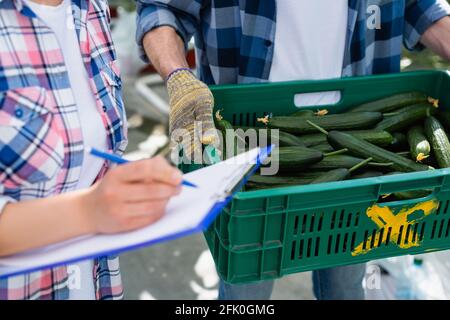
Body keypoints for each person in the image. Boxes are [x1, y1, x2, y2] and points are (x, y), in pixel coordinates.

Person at [136, 0, 450, 300]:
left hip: (359, 128)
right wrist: (178, 76)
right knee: (248, 286)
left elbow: (417, 6)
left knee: (347, 282)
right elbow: (162, 8)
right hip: (248, 135)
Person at [0, 0, 183, 300]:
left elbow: (92, 153)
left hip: (92, 283)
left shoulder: (91, 10)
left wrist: (129, 186)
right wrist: (88, 210)